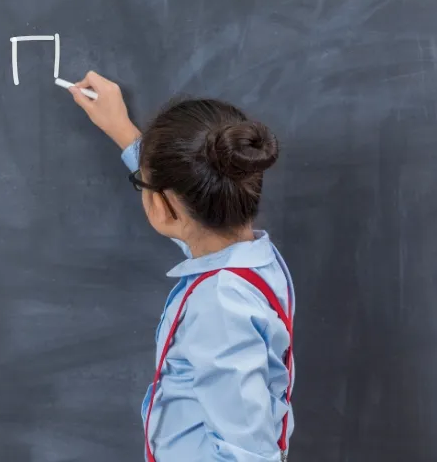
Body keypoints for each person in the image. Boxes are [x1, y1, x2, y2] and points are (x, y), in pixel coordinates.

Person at [67, 72, 296, 462]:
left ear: (162, 205)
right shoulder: (254, 261)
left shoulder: (221, 302)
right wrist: (124, 131)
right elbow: (191, 226)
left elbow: (248, 455)